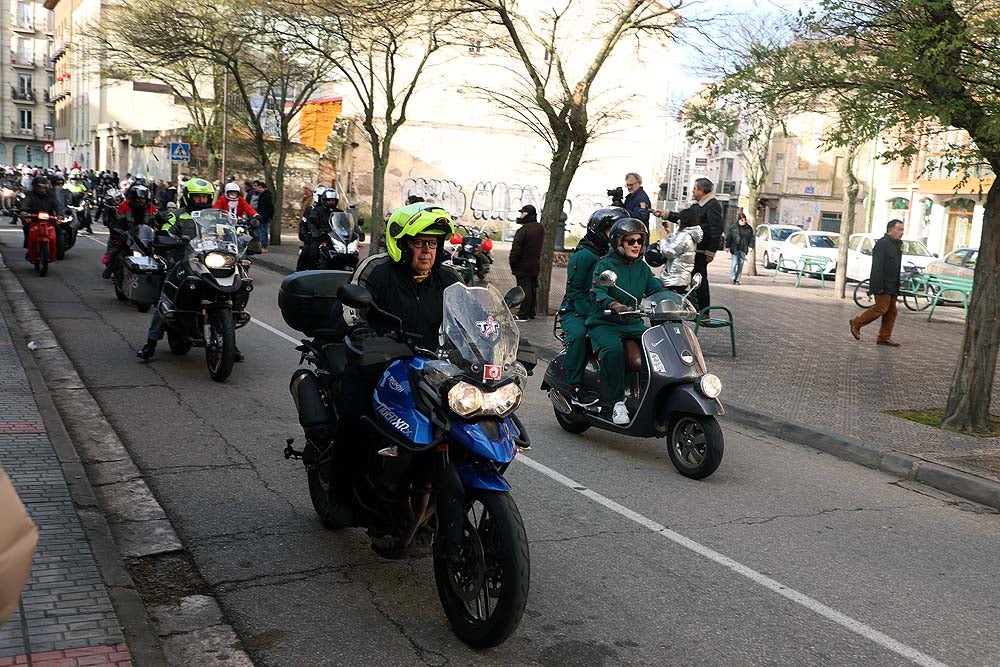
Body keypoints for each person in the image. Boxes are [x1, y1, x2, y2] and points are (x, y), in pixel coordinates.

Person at [334, 203, 461, 457]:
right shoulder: (377, 269)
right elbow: (351, 310)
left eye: (433, 244)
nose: (427, 252)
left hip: (433, 368)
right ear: (402, 244)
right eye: (419, 243)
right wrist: (362, 331)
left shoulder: (449, 277)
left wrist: (493, 338)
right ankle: (339, 490)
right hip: (380, 361)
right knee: (355, 418)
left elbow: (472, 313)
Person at [136, 178, 243, 361]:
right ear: (187, 197)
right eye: (197, 197)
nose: (201, 200)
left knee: (239, 282)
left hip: (209, 260)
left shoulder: (216, 215)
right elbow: (165, 232)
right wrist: (166, 237)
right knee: (166, 298)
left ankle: (229, 341)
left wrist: (242, 235)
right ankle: (151, 343)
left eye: (204, 197)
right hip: (182, 259)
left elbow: (232, 230)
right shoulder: (176, 215)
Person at [587, 218, 669, 425]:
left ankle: (646, 396)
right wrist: (613, 304)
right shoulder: (605, 265)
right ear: (618, 243)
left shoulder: (641, 268)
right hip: (605, 323)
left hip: (632, 323)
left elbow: (655, 289)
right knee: (613, 351)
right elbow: (596, 291)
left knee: (657, 347)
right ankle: (616, 403)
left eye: (639, 241)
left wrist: (676, 300)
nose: (635, 245)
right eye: (630, 241)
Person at [558, 207, 627, 403]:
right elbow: (575, 293)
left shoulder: (615, 257)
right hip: (576, 311)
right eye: (612, 231)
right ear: (600, 230)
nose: (616, 236)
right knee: (580, 336)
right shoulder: (584, 256)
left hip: (606, 310)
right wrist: (593, 314)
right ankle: (575, 386)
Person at [850, 219, 904, 347]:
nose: (902, 233)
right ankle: (856, 323)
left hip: (893, 283)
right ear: (891, 230)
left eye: (902, 230)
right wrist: (877, 286)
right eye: (899, 229)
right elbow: (877, 267)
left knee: (891, 311)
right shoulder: (882, 244)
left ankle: (884, 337)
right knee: (881, 308)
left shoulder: (897, 244)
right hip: (883, 283)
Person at [104, 185, 157, 279]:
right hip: (127, 236)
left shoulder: (151, 208)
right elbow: (116, 222)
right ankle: (110, 268)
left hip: (145, 238)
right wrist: (119, 233)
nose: (142, 201)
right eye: (139, 199)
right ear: (133, 198)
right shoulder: (124, 207)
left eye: (144, 199)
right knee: (114, 251)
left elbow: (157, 222)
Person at [646, 207, 703, 292]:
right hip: (679, 276)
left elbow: (669, 252)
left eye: (680, 219)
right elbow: (676, 246)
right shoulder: (687, 233)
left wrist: (662, 239)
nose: (678, 221)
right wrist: (669, 233)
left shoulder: (684, 235)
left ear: (685, 221)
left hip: (675, 278)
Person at [509, 204, 544, 321]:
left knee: (524, 290)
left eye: (522, 213)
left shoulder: (523, 230)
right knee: (532, 288)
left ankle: (523, 313)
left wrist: (512, 262)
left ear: (528, 214)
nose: (521, 215)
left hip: (522, 265)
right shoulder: (540, 228)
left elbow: (516, 249)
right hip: (534, 264)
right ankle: (531, 312)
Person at [297, 189, 343, 271]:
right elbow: (311, 223)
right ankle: (306, 270)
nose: (331, 202)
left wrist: (355, 232)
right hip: (320, 237)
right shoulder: (316, 211)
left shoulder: (339, 212)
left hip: (335, 238)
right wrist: (316, 232)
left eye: (333, 200)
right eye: (329, 200)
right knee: (312, 250)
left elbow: (345, 223)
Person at [19, 175, 63, 251]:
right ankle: (28, 246)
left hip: (49, 218)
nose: (41, 189)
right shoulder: (30, 195)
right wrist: (23, 211)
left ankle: (58, 249)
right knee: (26, 228)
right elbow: (25, 203)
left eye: (43, 187)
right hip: (34, 218)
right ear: (34, 187)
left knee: (58, 229)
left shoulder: (51, 196)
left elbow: (57, 205)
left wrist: (60, 214)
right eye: (39, 187)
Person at [725, 211, 755, 285]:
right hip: (735, 248)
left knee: (740, 265)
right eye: (742, 220)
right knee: (734, 264)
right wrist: (727, 246)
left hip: (743, 248)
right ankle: (733, 278)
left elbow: (752, 238)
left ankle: (737, 279)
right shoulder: (733, 228)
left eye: (745, 219)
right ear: (739, 220)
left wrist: (751, 246)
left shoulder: (749, 228)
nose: (744, 221)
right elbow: (729, 237)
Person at [253, 180, 274, 252]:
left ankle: (264, 246)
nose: (258, 189)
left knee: (263, 231)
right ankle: (261, 246)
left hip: (264, 216)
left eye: (260, 187)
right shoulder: (262, 195)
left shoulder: (267, 196)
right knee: (261, 231)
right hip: (261, 215)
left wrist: (268, 216)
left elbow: (270, 207)